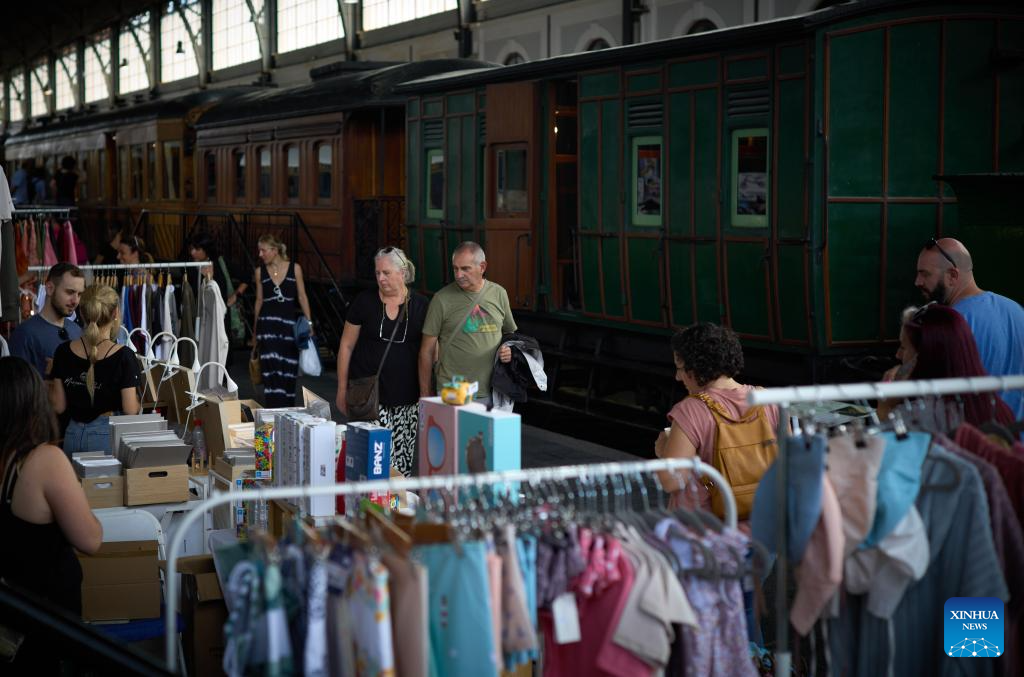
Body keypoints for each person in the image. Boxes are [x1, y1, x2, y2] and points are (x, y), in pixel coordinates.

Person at [0, 357, 102, 626]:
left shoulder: (9, 462)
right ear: (33, 402)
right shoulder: (45, 461)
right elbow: (90, 540)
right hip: (48, 624)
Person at [654, 322, 780, 513]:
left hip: (706, 531)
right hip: (763, 522)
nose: (677, 378)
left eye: (680, 368)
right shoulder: (769, 401)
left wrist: (663, 451)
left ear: (696, 367)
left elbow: (672, 482)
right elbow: (786, 465)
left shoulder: (691, 410)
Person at [336, 247, 428, 477]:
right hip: (368, 398)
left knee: (401, 467)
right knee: (374, 463)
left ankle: (394, 510)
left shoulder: (422, 305)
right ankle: (371, 510)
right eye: (377, 273)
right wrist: (341, 389)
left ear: (403, 272)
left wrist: (427, 394)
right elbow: (346, 346)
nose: (380, 278)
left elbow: (429, 352)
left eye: (386, 273)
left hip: (407, 400)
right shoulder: (364, 301)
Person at [915, 237, 1024, 418]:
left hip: (977, 439)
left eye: (925, 274)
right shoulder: (1016, 309)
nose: (917, 281)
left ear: (952, 276)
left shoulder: (951, 325)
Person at [883, 303, 1014, 428]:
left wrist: (885, 407)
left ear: (923, 357)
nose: (897, 355)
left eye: (903, 347)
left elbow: (884, 445)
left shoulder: (914, 417)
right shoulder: (999, 409)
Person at [418, 241, 515, 406]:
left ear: (482, 267)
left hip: (495, 390)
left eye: (465, 269)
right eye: (455, 268)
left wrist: (509, 350)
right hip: (454, 390)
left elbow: (510, 334)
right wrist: (425, 394)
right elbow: (426, 352)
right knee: (454, 433)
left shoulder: (499, 293)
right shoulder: (441, 299)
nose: (458, 275)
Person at [49, 284, 142, 455]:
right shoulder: (124, 356)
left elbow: (59, 406)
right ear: (115, 314)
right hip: (106, 436)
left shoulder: (62, 351)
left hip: (72, 434)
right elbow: (130, 409)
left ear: (82, 313)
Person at [253, 234, 313, 407]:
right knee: (271, 372)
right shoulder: (260, 272)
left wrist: (309, 322)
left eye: (263, 250)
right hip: (268, 328)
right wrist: (255, 330)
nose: (260, 254)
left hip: (288, 329)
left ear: (275, 250)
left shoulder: (295, 269)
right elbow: (259, 301)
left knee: (288, 371)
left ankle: (286, 412)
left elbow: (302, 296)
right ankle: (272, 412)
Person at [9, 262, 85, 377]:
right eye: (70, 292)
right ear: (49, 288)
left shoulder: (77, 331)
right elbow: (19, 388)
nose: (75, 301)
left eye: (79, 294)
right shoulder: (25, 334)